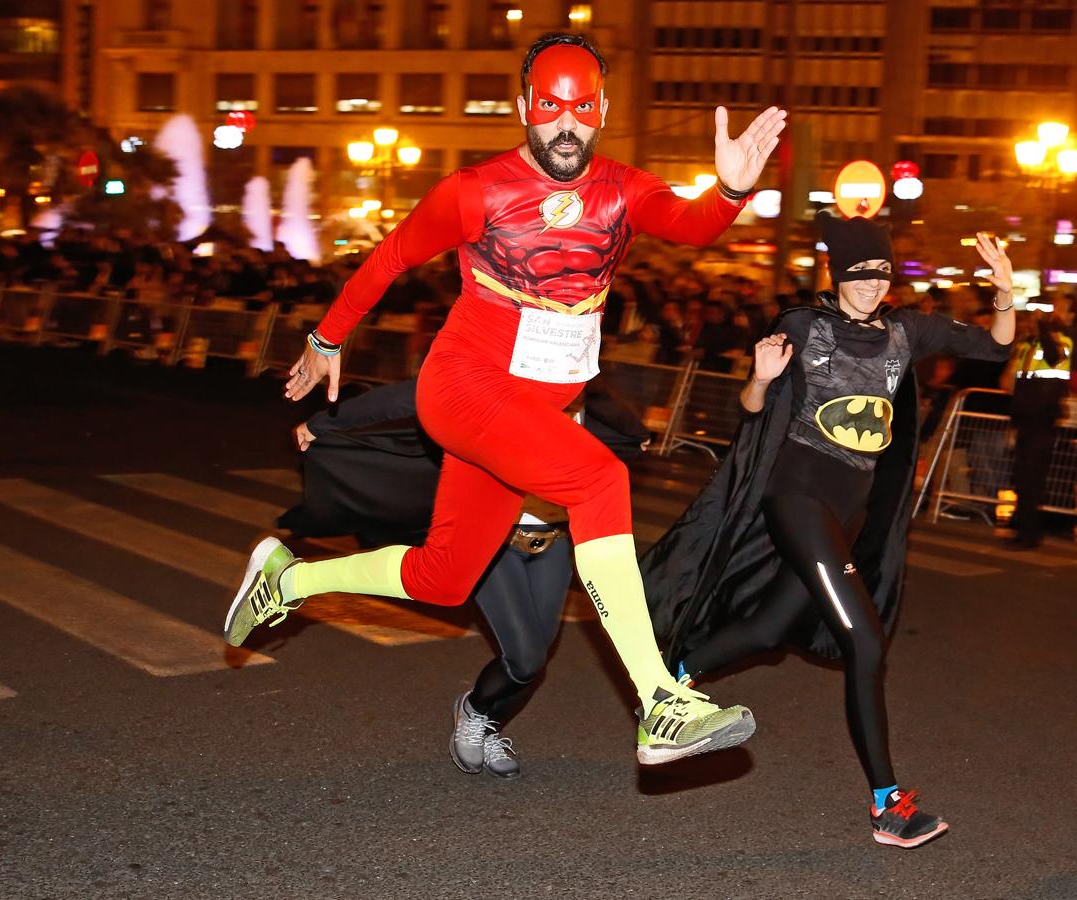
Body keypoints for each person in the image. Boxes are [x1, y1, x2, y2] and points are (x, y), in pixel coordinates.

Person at [223, 31, 786, 765]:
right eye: (550, 105)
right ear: (525, 107)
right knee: (599, 479)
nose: (565, 123)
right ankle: (659, 702)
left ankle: (288, 581)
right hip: (464, 387)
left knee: (444, 574)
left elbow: (692, 224)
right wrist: (326, 341)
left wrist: (732, 187)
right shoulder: (477, 189)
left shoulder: (623, 190)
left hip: (529, 414)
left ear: (603, 110)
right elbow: (392, 255)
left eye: (581, 107)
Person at [641, 215, 1015, 847]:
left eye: (881, 274)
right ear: (836, 275)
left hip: (847, 512)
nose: (871, 284)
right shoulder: (802, 326)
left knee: (767, 628)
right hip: (797, 498)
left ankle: (672, 679)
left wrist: (1006, 291)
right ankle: (887, 805)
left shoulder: (906, 331)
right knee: (865, 642)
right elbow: (754, 410)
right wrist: (759, 376)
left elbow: (997, 347)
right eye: (860, 274)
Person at [283, 378, 649, 778]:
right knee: (524, 658)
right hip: (491, 542)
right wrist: (323, 424)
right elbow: (410, 395)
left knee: (531, 661)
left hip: (555, 540)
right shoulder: (495, 384)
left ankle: (485, 719)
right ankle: (474, 713)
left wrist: (635, 434)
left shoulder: (582, 398)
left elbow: (617, 417)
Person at [1001, 307, 1073, 549]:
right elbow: (1011, 381)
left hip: (1043, 419)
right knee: (1022, 477)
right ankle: (1022, 528)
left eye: (1033, 319)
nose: (1027, 323)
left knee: (1033, 478)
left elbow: (1055, 357)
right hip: (1024, 418)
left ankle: (1030, 535)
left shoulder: (1061, 341)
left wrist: (1044, 327)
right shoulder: (1026, 345)